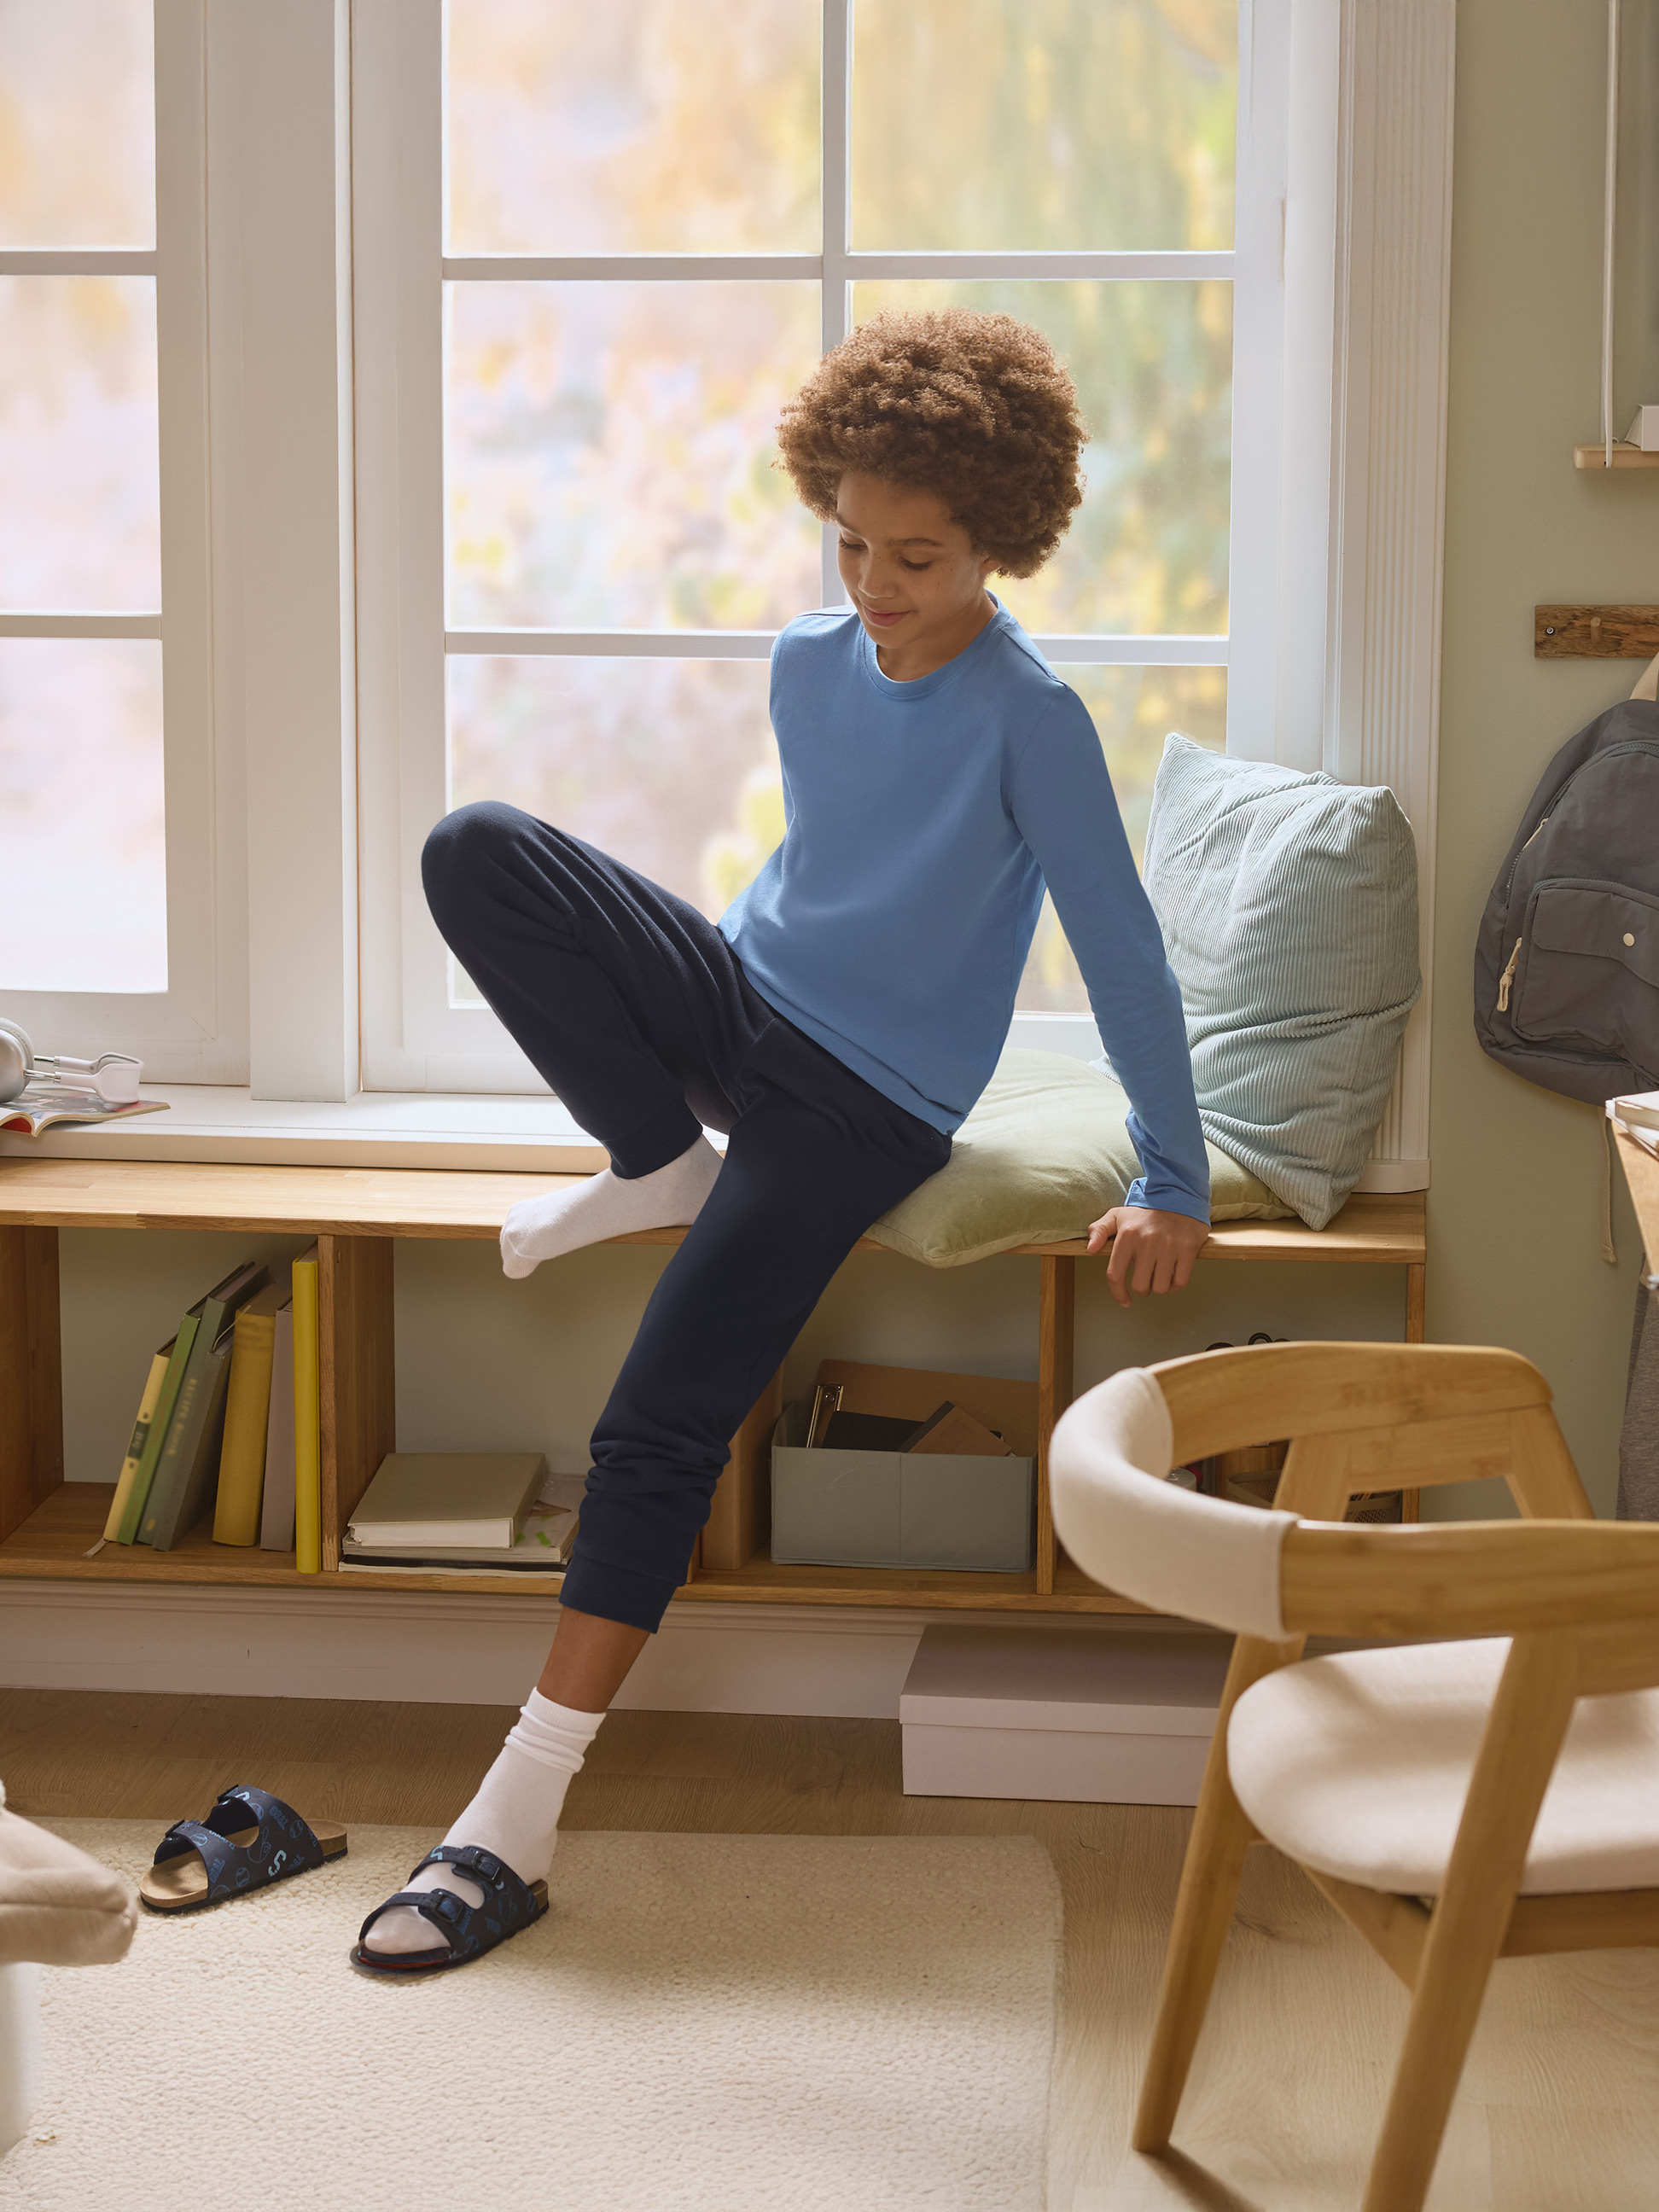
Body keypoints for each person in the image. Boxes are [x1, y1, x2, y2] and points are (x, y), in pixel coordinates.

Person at [352, 310, 1211, 1971]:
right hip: (746, 1005)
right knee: (479, 848)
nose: (876, 584)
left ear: (999, 541)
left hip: (862, 1103)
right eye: (852, 542)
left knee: (656, 1420)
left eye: (919, 556)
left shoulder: (1032, 718)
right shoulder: (812, 661)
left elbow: (1123, 957)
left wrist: (1172, 1176)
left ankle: (510, 1823)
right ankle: (654, 1158)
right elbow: (825, 873)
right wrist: (693, 1029)